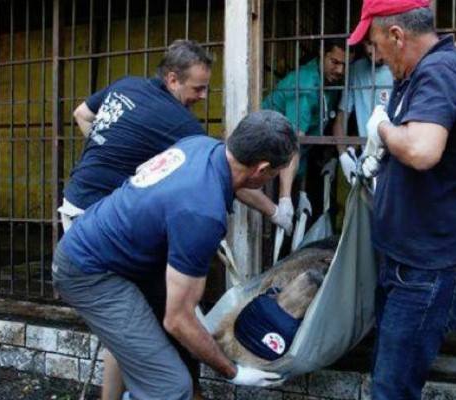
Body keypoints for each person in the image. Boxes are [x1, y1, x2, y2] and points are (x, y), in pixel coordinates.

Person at [62, 39, 287, 400]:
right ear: (172, 79)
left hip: (83, 206)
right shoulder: (182, 132)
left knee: (133, 328)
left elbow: (81, 115)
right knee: (149, 330)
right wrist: (274, 210)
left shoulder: (126, 86)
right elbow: (233, 178)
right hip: (102, 222)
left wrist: (113, 155)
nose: (202, 96)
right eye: (198, 88)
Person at [347, 1, 456, 398]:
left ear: (396, 35)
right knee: (388, 383)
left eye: (375, 45)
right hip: (410, 265)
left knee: (392, 392)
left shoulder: (439, 71)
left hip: (427, 272)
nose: (374, 55)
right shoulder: (420, 74)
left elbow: (423, 150)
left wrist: (382, 128)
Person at [262, 40, 347, 229]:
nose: (340, 70)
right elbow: (294, 143)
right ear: (322, 55)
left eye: (345, 65)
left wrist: (300, 191)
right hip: (268, 159)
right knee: (275, 225)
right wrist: (285, 199)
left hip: (294, 164)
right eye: (335, 62)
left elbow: (306, 144)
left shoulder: (331, 84)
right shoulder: (306, 85)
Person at [333, 42, 393, 184]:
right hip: (368, 161)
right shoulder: (356, 70)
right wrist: (343, 155)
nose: (371, 50)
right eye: (368, 44)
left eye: (376, 43)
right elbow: (341, 118)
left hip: (397, 156)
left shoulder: (399, 66)